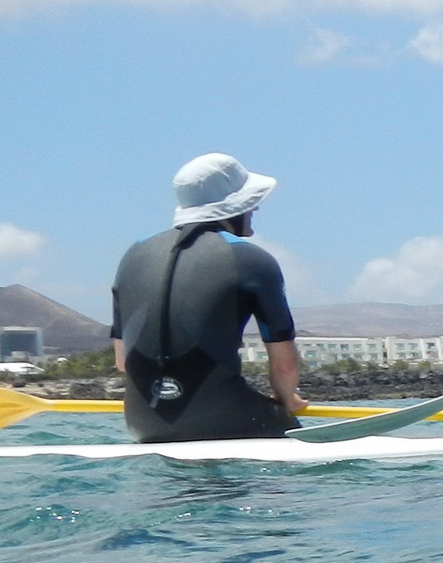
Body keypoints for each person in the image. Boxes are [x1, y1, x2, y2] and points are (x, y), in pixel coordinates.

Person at [110, 154, 306, 442]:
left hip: (143, 425)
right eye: (250, 201)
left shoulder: (134, 254)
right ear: (233, 205)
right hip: (228, 421)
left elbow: (123, 361)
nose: (256, 207)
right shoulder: (250, 259)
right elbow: (284, 365)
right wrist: (287, 400)